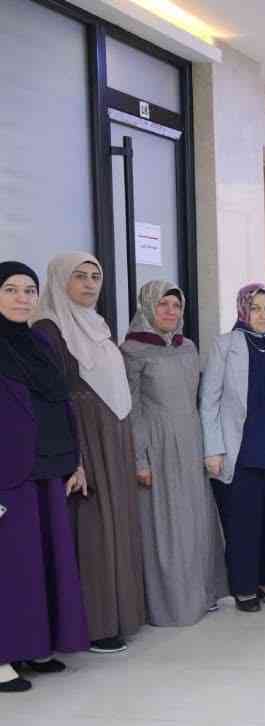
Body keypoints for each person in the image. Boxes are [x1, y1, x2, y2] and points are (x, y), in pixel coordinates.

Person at [31, 252, 145, 652]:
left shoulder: (98, 325)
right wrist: (74, 455)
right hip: (82, 437)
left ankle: (122, 614)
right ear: (60, 281)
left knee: (117, 521)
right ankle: (96, 623)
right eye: (79, 276)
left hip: (112, 434)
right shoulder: (48, 328)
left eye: (95, 276)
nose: (89, 284)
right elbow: (54, 396)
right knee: (92, 526)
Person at [0, 261, 90, 693]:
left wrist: (76, 461)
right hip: (8, 473)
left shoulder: (38, 342)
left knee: (41, 564)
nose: (22, 298)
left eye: (29, 290)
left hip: (48, 468)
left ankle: (34, 647)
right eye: (11, 289)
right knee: (11, 568)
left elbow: (60, 404)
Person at [122, 280, 227, 625]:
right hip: (159, 445)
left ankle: (202, 594)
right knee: (168, 524)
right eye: (162, 304)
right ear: (147, 307)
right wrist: (140, 458)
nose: (170, 311)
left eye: (176, 305)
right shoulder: (133, 350)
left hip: (191, 441)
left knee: (196, 521)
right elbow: (132, 409)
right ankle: (171, 605)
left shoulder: (188, 347)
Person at [200, 284, 265, 612]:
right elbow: (209, 401)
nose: (263, 315)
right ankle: (244, 587)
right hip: (240, 450)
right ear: (243, 310)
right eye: (255, 308)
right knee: (244, 524)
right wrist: (213, 449)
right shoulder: (225, 345)